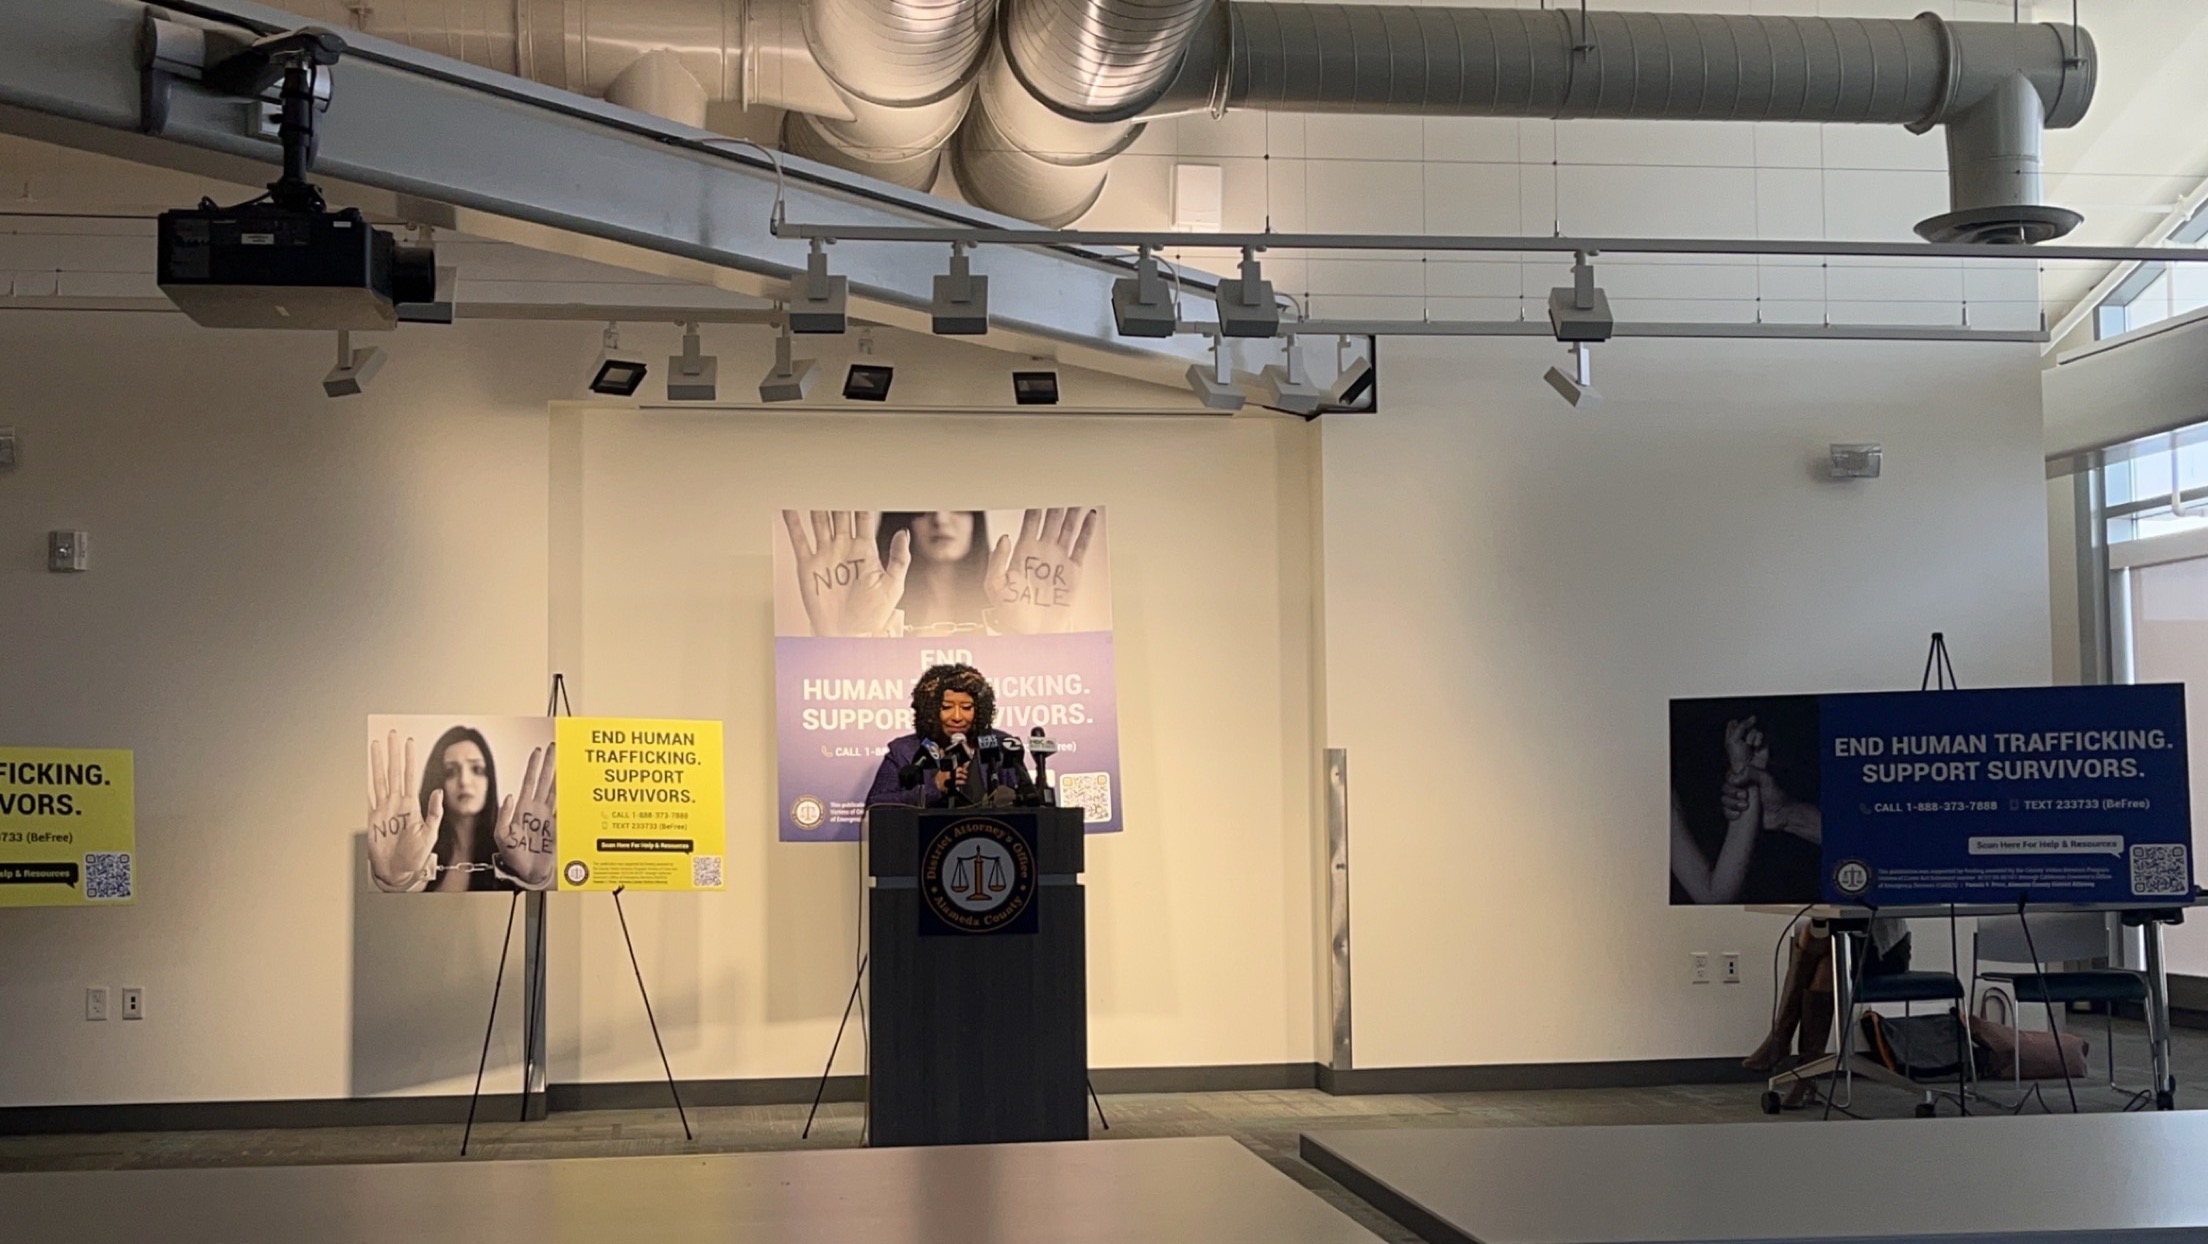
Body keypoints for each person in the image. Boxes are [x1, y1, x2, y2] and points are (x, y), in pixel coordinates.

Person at [781, 508, 1103, 637]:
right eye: (921, 512)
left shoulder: (1009, 618)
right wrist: (844, 637)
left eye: (961, 510)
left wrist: (1043, 637)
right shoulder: (876, 622)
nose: (941, 519)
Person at [366, 726, 556, 892]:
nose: (464, 781)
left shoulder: (514, 846)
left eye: (477, 770)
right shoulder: (412, 846)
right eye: (450, 771)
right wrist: (397, 876)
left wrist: (534, 878)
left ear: (490, 780)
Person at [865, 663, 997, 808]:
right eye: (946, 707)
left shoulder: (997, 745)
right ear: (930, 711)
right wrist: (933, 788)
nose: (957, 716)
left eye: (966, 708)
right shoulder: (904, 751)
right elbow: (875, 805)